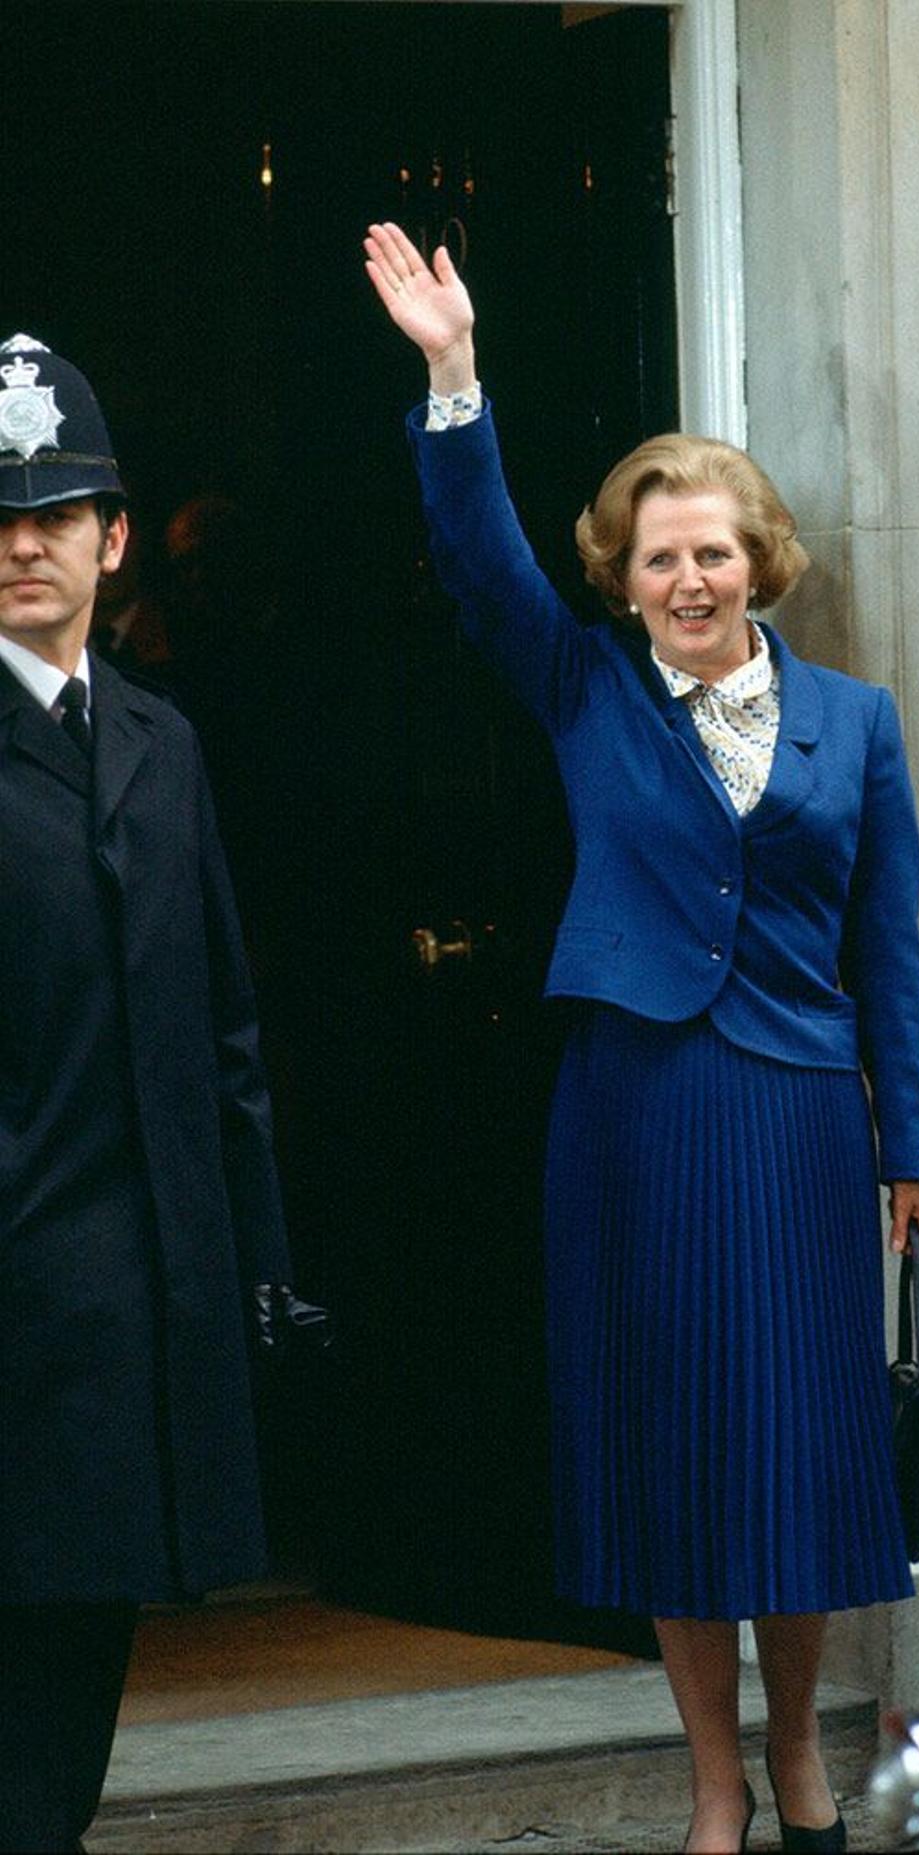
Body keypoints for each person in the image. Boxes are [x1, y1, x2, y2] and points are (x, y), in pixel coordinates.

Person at [365, 224, 919, 1855]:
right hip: (638, 1112)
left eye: (713, 553)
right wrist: (454, 375)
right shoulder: (586, 691)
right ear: (619, 582)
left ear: (762, 560)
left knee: (803, 1457)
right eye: (655, 559)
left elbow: (883, 950)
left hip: (797, 1113)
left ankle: (805, 1763)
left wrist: (915, 1145)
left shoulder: (861, 724)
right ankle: (711, 1792)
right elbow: (480, 560)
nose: (687, 581)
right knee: (686, 1456)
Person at [0, 331, 316, 1853]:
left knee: (76, 1660)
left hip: (135, 1297)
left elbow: (224, 1028)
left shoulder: (157, 739)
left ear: (111, 539)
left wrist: (251, 1267)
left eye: (54, 517)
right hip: (15, 1288)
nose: (23, 547)